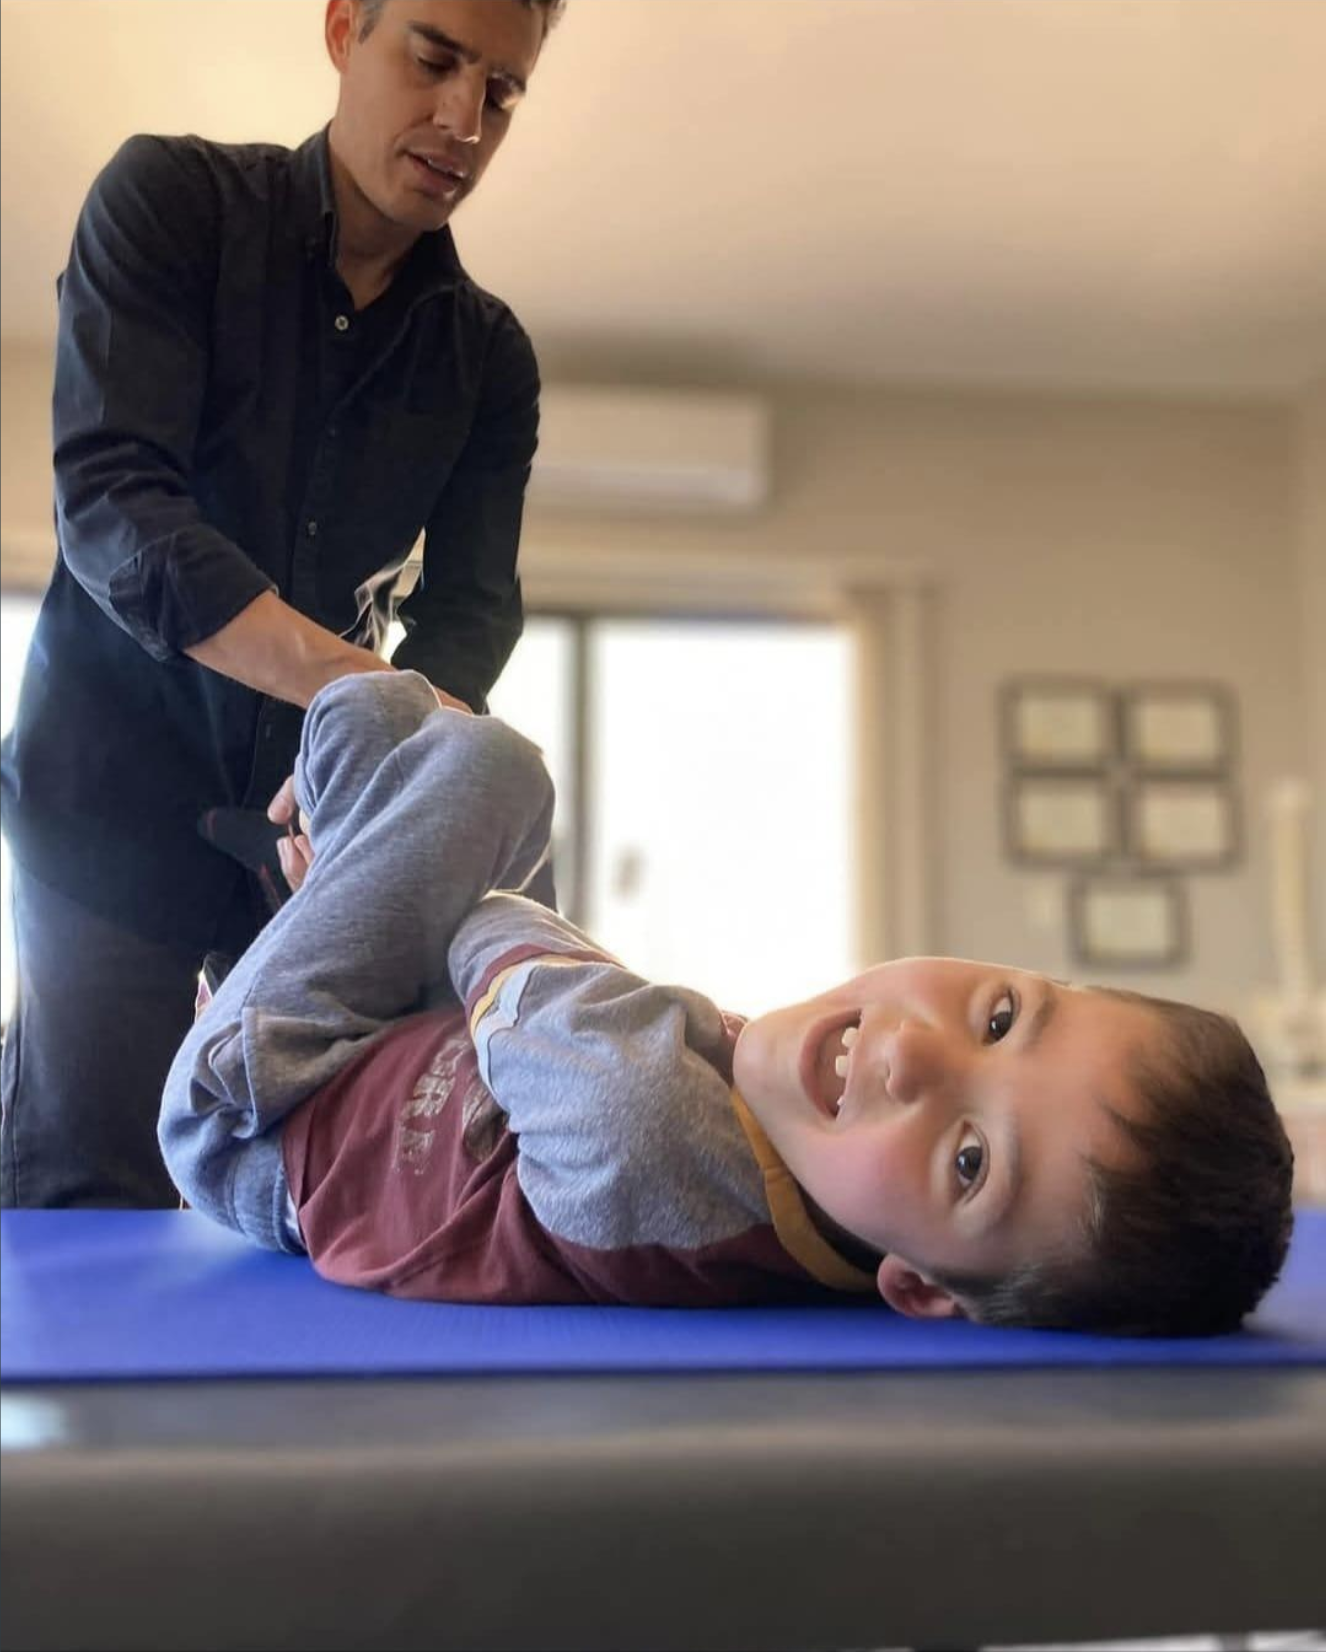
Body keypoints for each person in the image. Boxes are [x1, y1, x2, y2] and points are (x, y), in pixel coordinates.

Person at [160, 671, 1296, 1335]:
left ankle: (304, 893)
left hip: (263, 1114)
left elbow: (489, 923)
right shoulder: (789, 1140)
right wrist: (392, 878)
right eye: (999, 1017)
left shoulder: (650, 1127)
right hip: (436, 1046)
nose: (913, 1061)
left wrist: (394, 872)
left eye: (967, 1161)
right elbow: (522, 974)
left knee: (480, 766)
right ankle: (326, 871)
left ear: (919, 1283)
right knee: (400, 739)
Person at [1, 0, 564, 1209]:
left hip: (312, 862)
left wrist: (383, 789)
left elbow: (471, 617)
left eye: (503, 92)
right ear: (344, 28)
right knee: (88, 1192)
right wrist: (366, 699)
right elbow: (113, 508)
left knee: (324, 1197)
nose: (463, 118)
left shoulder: (489, 359)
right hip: (104, 818)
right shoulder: (169, 204)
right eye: (434, 59)